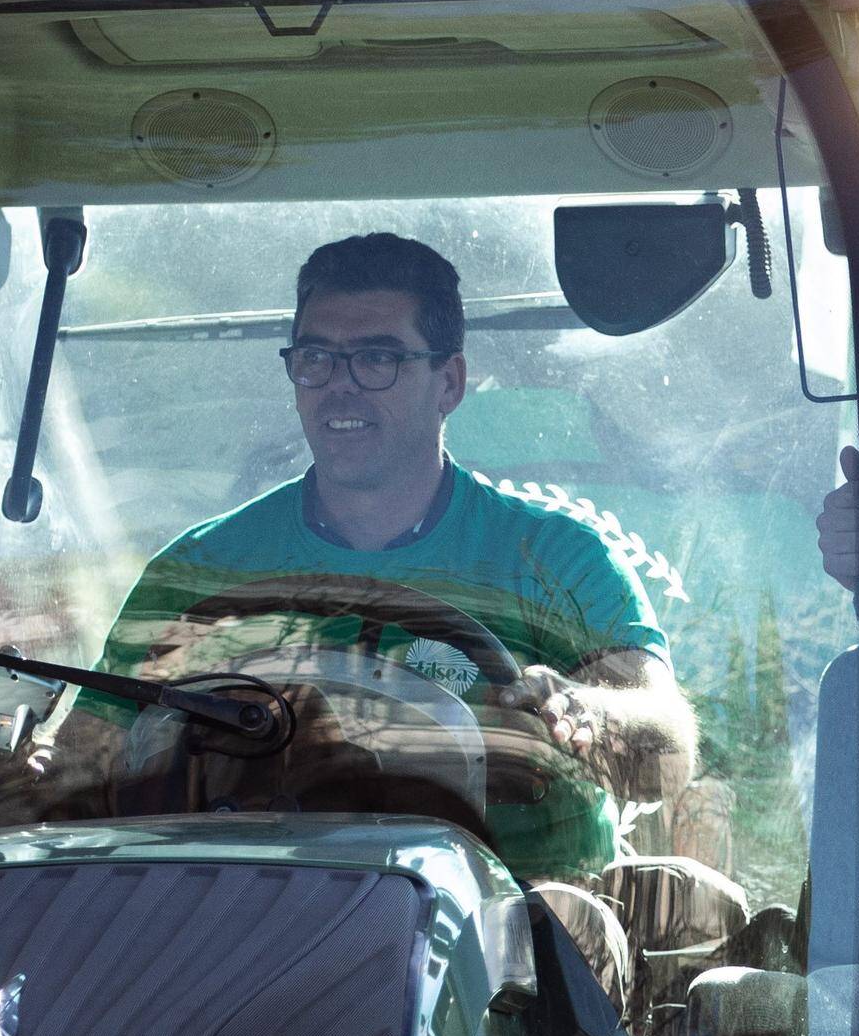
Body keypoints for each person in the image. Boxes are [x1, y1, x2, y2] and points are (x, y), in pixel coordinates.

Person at [105, 230, 695, 879]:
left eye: (378, 358)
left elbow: (664, 757)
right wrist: (16, 777)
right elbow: (84, 764)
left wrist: (586, 712)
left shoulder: (557, 561)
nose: (340, 386)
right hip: (236, 923)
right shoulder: (197, 572)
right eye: (317, 358)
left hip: (517, 942)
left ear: (450, 381)